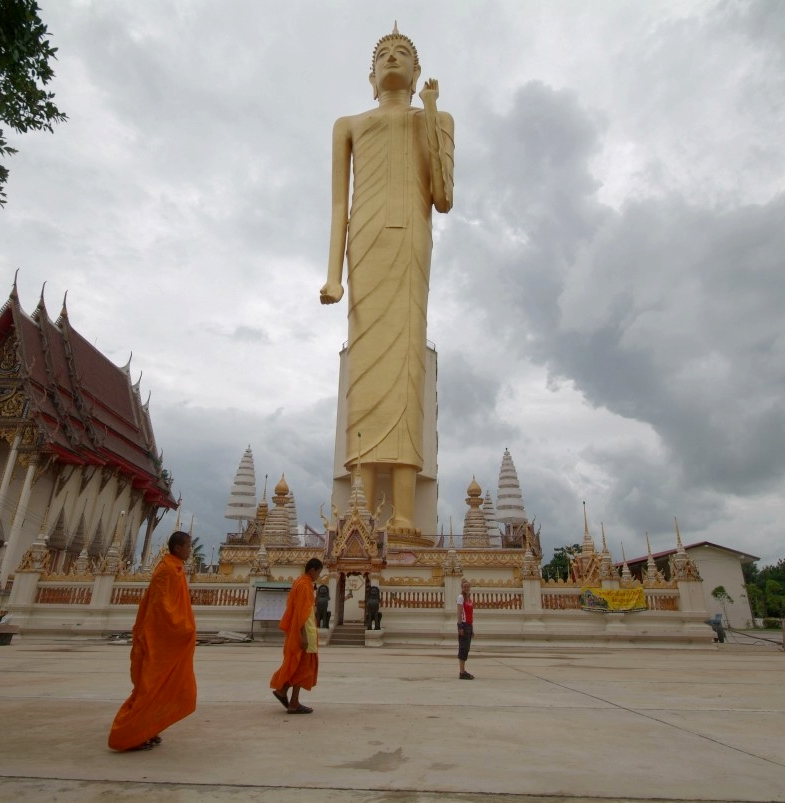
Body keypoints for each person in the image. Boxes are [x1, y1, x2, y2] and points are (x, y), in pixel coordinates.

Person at [320, 24, 454, 539]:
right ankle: (357, 507)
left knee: (403, 371)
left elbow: (443, 197)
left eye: (404, 54)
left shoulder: (433, 119)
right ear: (371, 76)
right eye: (384, 55)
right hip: (367, 247)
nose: (393, 58)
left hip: (410, 244)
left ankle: (402, 516)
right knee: (366, 374)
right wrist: (332, 275)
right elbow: (338, 205)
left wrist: (434, 114)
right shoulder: (348, 124)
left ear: (417, 72)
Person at [108, 531, 197, 751]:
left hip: (169, 642)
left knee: (168, 688)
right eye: (187, 546)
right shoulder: (165, 571)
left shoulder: (175, 569)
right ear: (177, 548)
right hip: (159, 641)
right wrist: (182, 628)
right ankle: (126, 733)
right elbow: (160, 609)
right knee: (150, 688)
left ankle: (148, 728)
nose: (190, 550)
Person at [270, 558, 323, 714]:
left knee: (297, 664)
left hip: (303, 630)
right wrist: (304, 636)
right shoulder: (304, 586)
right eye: (319, 572)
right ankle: (293, 703)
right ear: (312, 570)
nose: (318, 576)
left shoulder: (299, 583)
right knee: (302, 667)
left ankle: (283, 691)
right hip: (304, 632)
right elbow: (301, 613)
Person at [457, 579, 474, 679]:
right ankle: (462, 672)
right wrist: (460, 626)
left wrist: (472, 628)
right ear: (462, 588)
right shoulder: (461, 597)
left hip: (469, 624)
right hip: (463, 624)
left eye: (468, 587)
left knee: (466, 648)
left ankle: (463, 670)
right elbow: (459, 612)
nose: (466, 588)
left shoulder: (469, 598)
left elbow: (470, 614)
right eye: (465, 587)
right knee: (463, 648)